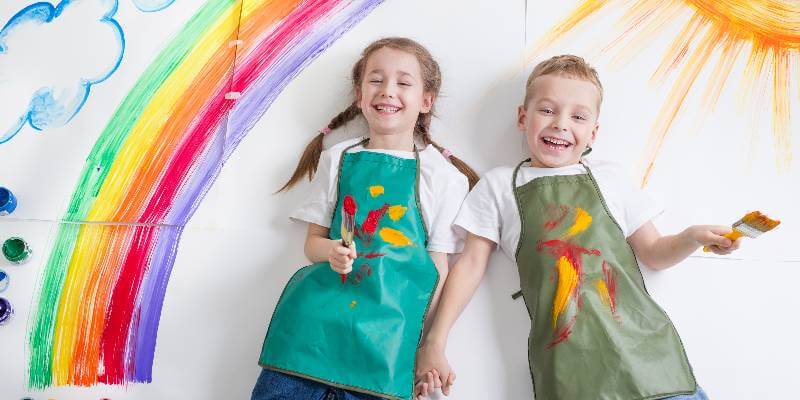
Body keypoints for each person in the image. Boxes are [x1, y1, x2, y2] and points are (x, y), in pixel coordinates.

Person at [414, 55, 739, 400]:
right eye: (548, 110)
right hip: (569, 372)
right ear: (523, 117)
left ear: (593, 132)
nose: (560, 124)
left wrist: (692, 237)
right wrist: (434, 341)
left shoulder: (611, 177)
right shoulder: (498, 186)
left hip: (651, 363)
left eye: (578, 116)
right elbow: (469, 265)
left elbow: (655, 254)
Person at [252, 37, 479, 400]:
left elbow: (438, 269)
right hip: (311, 336)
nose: (387, 91)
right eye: (376, 80)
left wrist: (423, 346)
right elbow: (312, 244)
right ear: (360, 95)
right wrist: (331, 253)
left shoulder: (445, 177)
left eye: (404, 82)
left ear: (426, 100)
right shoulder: (337, 159)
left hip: (385, 349)